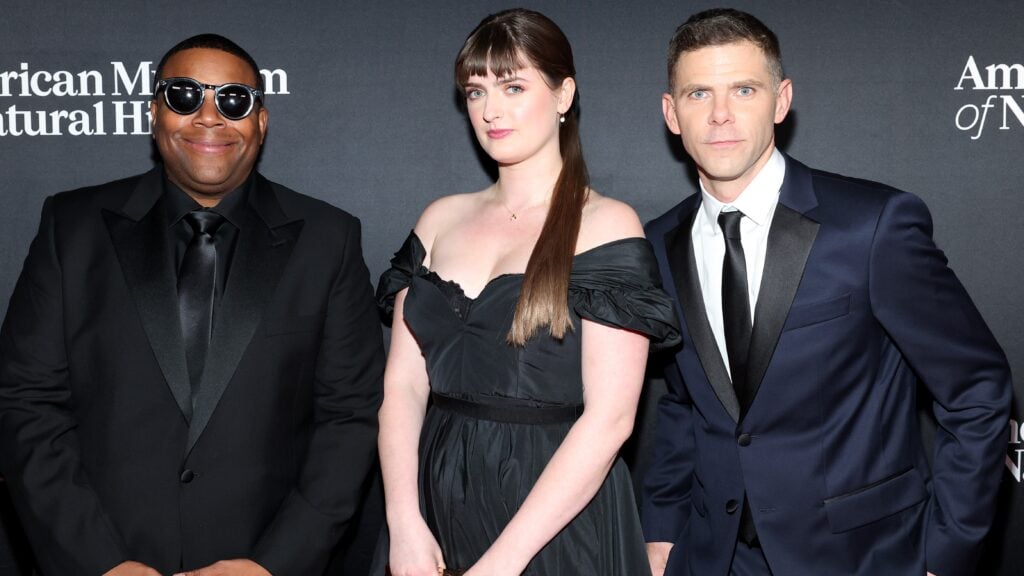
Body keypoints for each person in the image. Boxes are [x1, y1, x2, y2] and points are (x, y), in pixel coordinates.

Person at [642, 8, 1012, 576]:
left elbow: (976, 388)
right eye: (698, 94)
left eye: (744, 89)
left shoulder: (872, 226)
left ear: (781, 100)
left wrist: (947, 554)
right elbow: (682, 401)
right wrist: (662, 533)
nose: (720, 115)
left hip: (861, 557)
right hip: (712, 558)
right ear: (672, 113)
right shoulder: (658, 242)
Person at [0, 34, 385, 576]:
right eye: (184, 96)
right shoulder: (72, 226)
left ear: (261, 122)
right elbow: (25, 403)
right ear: (154, 114)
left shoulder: (329, 239)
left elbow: (349, 417)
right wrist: (99, 563)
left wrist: (271, 565)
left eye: (233, 101)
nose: (209, 117)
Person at [372, 8, 679, 576]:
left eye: (514, 86)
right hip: (432, 503)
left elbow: (611, 419)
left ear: (564, 95)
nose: (490, 111)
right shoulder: (438, 218)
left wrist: (504, 563)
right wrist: (403, 521)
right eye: (475, 91)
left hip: (554, 517)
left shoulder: (606, 225)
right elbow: (403, 387)